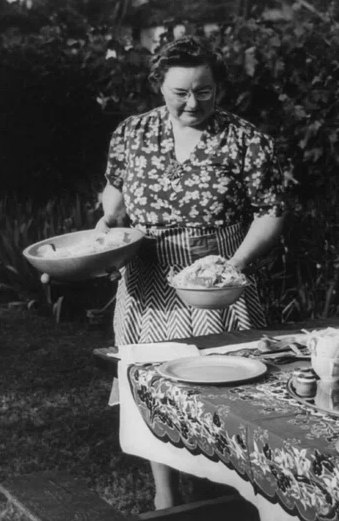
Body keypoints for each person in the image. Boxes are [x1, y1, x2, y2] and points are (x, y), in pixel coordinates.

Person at [98, 35, 287, 509]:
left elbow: (272, 211)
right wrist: (107, 228)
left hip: (218, 287)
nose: (192, 102)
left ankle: (235, 493)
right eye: (180, 92)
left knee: (230, 390)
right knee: (150, 382)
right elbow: (114, 194)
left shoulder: (245, 138)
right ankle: (168, 495)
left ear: (218, 87)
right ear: (158, 86)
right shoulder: (132, 132)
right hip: (148, 284)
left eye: (204, 91)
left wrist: (234, 264)